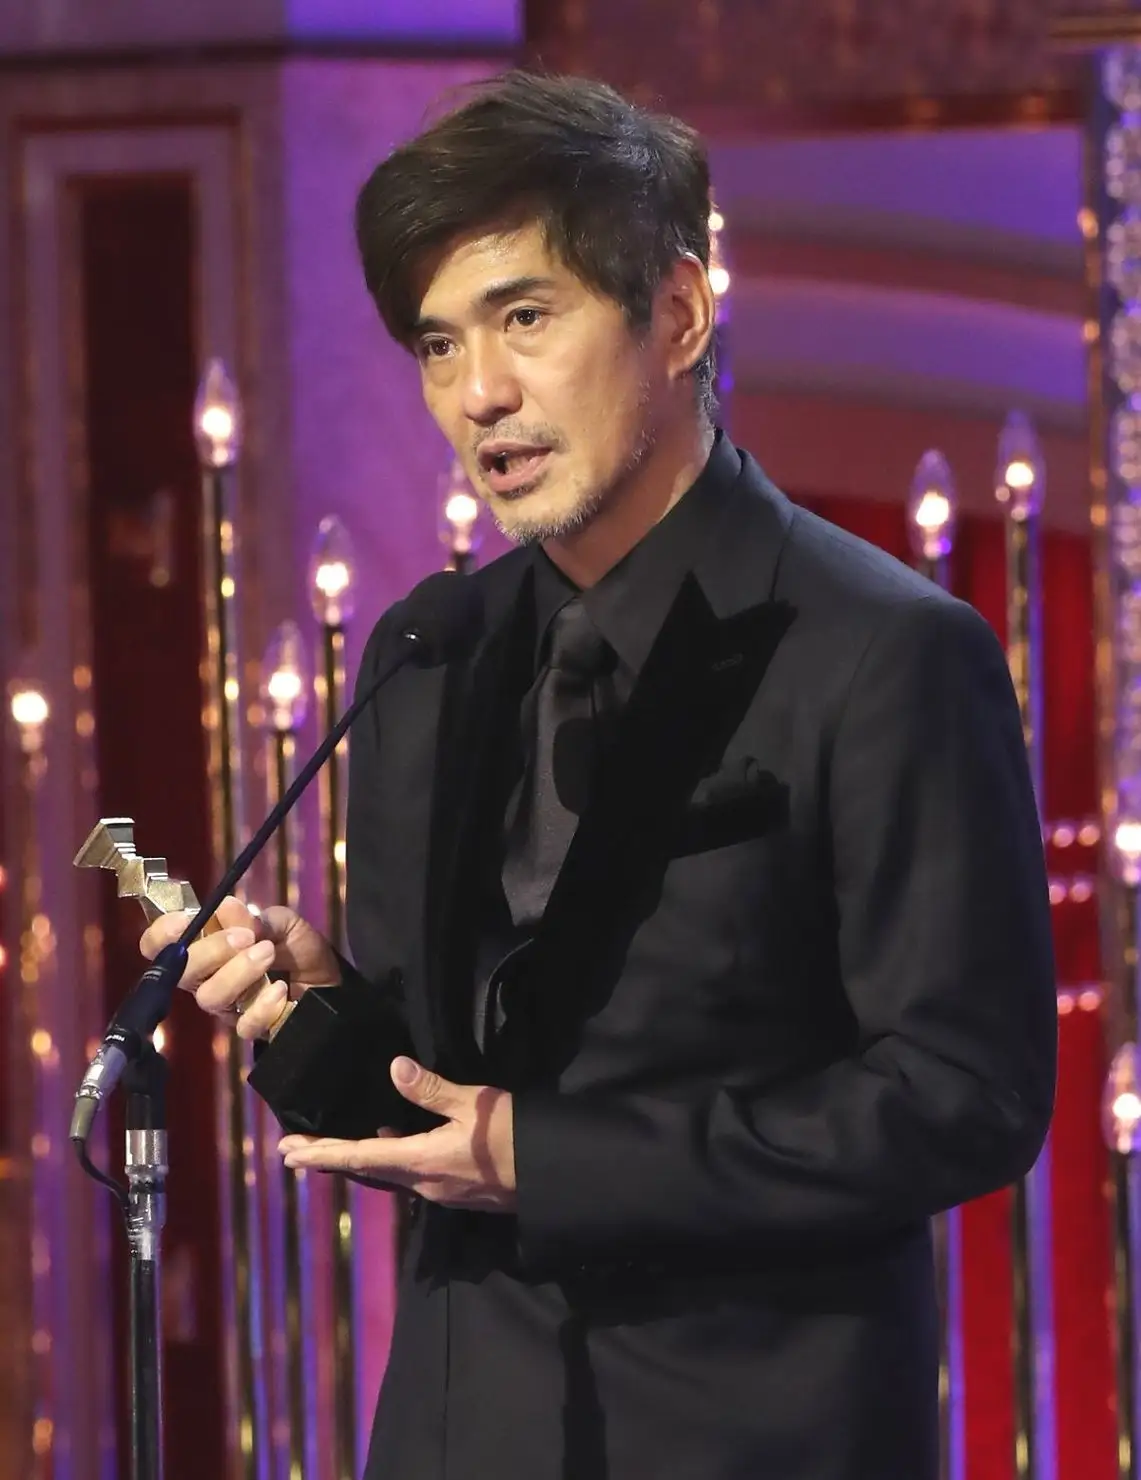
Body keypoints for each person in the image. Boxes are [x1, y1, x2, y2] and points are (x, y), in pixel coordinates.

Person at [141, 70, 1057, 1480]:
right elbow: (438, 1106)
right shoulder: (428, 653)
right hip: (458, 1436)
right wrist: (321, 1013)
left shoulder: (885, 649)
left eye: (525, 318)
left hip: (753, 1441)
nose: (480, 394)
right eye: (439, 345)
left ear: (677, 314)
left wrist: (548, 1160)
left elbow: (963, 1096)